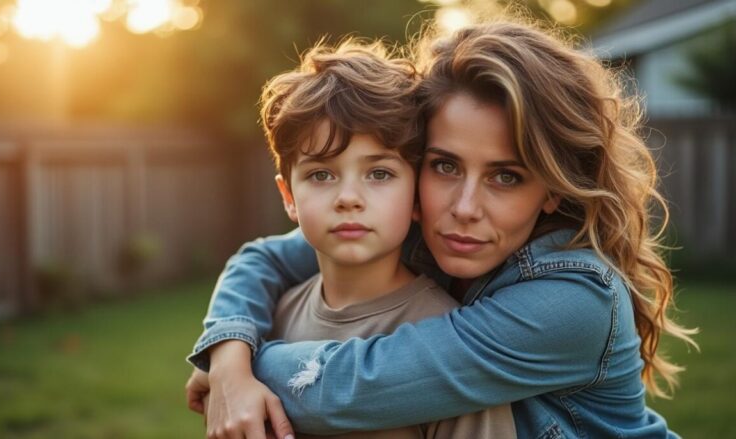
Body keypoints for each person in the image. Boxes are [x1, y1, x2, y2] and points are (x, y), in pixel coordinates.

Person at [186, 18, 697, 439]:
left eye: (506, 176)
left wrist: (238, 370)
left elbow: (348, 390)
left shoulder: (573, 301)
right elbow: (265, 259)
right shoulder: (405, 225)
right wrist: (230, 355)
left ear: (553, 189)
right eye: (445, 166)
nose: (464, 207)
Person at [189, 38, 516, 439]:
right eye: (321, 174)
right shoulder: (268, 320)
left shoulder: (450, 343)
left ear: (417, 195)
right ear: (288, 197)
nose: (348, 198)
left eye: (379, 174)